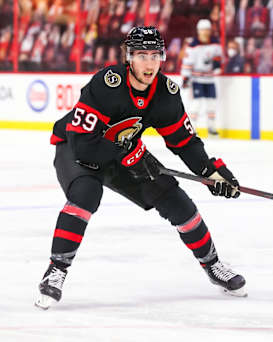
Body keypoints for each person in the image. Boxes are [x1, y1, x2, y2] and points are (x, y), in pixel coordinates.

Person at [35, 26, 246, 310]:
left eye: (155, 55)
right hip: (77, 148)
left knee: (176, 201)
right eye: (142, 55)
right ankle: (56, 269)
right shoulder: (106, 84)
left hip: (121, 151)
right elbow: (83, 143)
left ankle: (214, 265)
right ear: (129, 57)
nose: (150, 63)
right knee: (86, 193)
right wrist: (128, 151)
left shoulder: (166, 93)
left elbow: (183, 142)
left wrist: (211, 172)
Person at [180, 19, 222, 136]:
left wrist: (217, 64)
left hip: (209, 78)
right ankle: (192, 128)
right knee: (196, 103)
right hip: (197, 79)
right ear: (199, 31)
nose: (205, 32)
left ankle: (211, 128)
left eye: (207, 30)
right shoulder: (193, 45)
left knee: (211, 103)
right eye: (203, 30)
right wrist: (185, 77)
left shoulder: (215, 43)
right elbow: (187, 62)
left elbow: (217, 57)